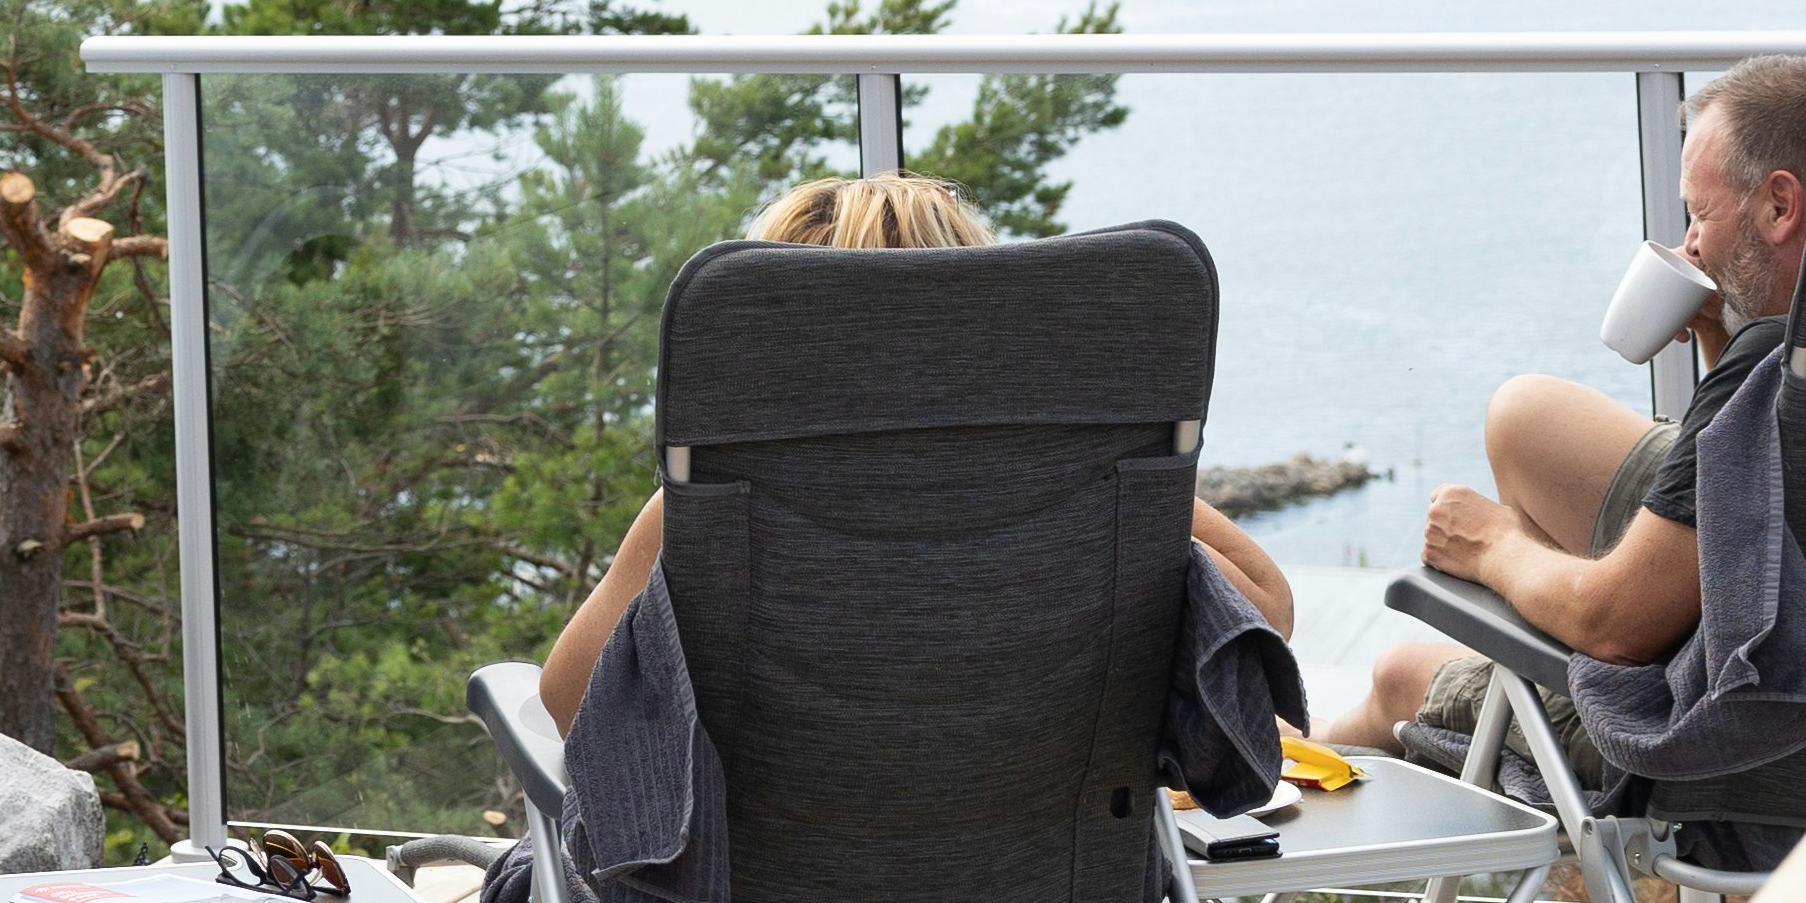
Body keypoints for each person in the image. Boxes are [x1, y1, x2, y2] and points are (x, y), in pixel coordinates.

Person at [542, 170, 1296, 730]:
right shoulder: (1085, 499)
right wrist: (1118, 465)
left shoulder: (701, 516)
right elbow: (1268, 613)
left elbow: (564, 701)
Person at [1318, 52, 1806, 753]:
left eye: (1700, 213)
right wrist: (1719, 337)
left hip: (1724, 733)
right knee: (1526, 415)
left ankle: (1294, 753)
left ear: (1780, 205)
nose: (1690, 243)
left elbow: (1616, 628)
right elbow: (1764, 490)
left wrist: (1492, 546)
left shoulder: (1765, 363)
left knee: (1397, 674)